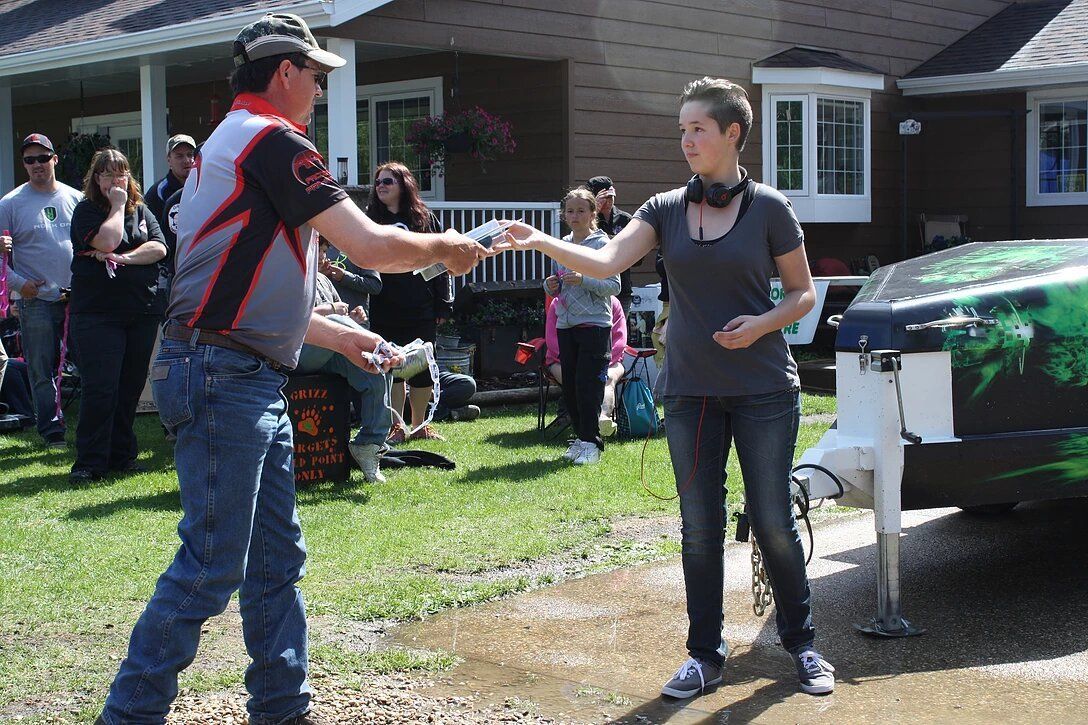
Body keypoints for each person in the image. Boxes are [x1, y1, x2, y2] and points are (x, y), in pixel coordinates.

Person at [96, 12, 489, 725]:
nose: (319, 88)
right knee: (213, 565)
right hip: (226, 374)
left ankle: (283, 708)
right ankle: (127, 716)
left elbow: (238, 293)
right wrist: (445, 247)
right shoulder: (276, 141)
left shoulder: (230, 142)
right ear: (285, 72)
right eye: (315, 74)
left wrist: (339, 340)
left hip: (233, 367)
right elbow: (368, 246)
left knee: (276, 558)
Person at [500, 77, 833, 697]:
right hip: (688, 394)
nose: (686, 140)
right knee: (699, 528)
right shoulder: (662, 210)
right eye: (681, 129)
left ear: (733, 133)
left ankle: (802, 643)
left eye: (697, 129)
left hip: (764, 389)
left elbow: (803, 293)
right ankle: (705, 654)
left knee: (771, 520)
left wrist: (761, 322)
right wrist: (542, 239)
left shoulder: (769, 209)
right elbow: (605, 263)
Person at [68, 148, 168, 484]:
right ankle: (90, 462)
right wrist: (115, 207)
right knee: (101, 388)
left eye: (121, 172)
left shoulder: (141, 209)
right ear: (96, 179)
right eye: (108, 174)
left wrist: (123, 260)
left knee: (130, 387)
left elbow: (159, 248)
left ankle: (122, 455)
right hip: (98, 313)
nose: (116, 180)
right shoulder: (86, 211)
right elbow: (108, 241)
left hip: (141, 309)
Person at [0, 133, 81, 448]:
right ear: (24, 164)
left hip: (77, 297)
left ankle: (92, 426)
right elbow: (0, 259)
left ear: (54, 159)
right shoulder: (10, 204)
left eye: (42, 158)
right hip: (36, 300)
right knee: (40, 368)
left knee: (90, 362)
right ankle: (52, 431)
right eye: (29, 160)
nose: (37, 165)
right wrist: (21, 286)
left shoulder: (75, 198)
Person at [365, 162, 452, 443]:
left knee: (421, 365)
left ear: (404, 185)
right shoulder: (371, 220)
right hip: (384, 304)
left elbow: (441, 261)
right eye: (378, 182)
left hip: (420, 304)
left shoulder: (424, 219)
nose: (381, 186)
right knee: (392, 365)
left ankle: (420, 425)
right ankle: (397, 426)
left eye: (388, 181)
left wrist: (443, 303)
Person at [295, 240, 390, 483]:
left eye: (326, 251)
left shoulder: (324, 280)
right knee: (341, 327)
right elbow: (292, 323)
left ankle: (368, 445)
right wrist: (330, 310)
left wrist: (355, 320)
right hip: (297, 355)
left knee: (377, 368)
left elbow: (342, 327)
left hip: (328, 354)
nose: (325, 257)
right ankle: (393, 351)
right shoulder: (291, 276)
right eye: (320, 251)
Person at [542, 187, 619, 465]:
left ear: (592, 214)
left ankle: (592, 443)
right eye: (570, 211)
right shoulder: (562, 245)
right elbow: (557, 283)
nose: (574, 216)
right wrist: (550, 285)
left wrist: (584, 279)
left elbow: (614, 285)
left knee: (589, 386)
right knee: (572, 386)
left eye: (581, 211)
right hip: (566, 324)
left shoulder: (603, 245)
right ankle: (581, 438)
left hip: (595, 325)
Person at [545, 295, 627, 437]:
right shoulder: (559, 302)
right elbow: (552, 340)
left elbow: (619, 340)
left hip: (608, 360)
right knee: (579, 380)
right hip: (562, 361)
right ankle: (587, 428)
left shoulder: (612, 302)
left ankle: (603, 419)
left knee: (606, 378)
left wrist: (602, 361)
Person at [586, 175, 634, 316]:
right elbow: (583, 243)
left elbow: (637, 257)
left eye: (610, 196)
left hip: (622, 286)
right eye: (603, 197)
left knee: (619, 334)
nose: (608, 201)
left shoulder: (626, 219)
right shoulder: (587, 220)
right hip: (594, 287)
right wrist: (593, 214)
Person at [143, 134, 196, 224]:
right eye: (179, 156)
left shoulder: (203, 186)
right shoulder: (158, 192)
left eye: (190, 155)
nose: (187, 160)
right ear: (169, 160)